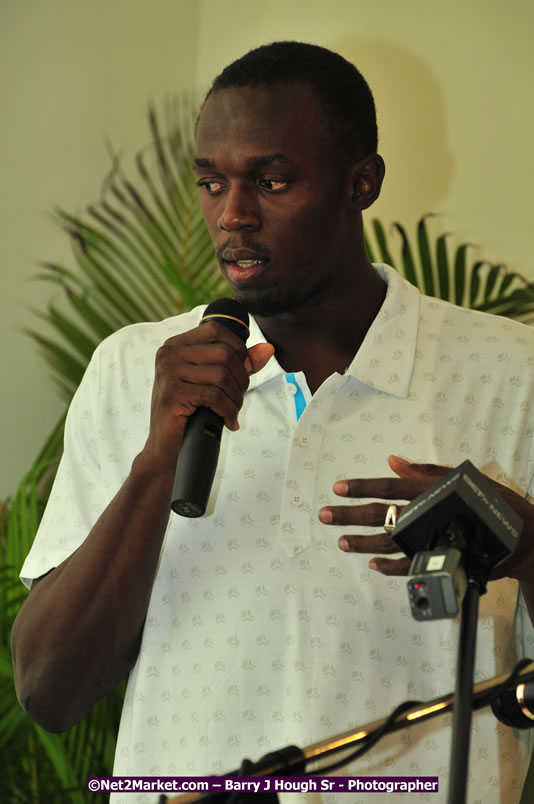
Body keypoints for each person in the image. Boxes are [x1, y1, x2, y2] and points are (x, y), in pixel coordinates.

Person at [11, 41, 534, 803]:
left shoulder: (510, 373)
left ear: (363, 183)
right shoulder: (134, 369)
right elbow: (49, 691)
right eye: (211, 182)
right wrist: (157, 461)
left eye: (273, 179)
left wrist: (530, 549)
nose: (232, 214)